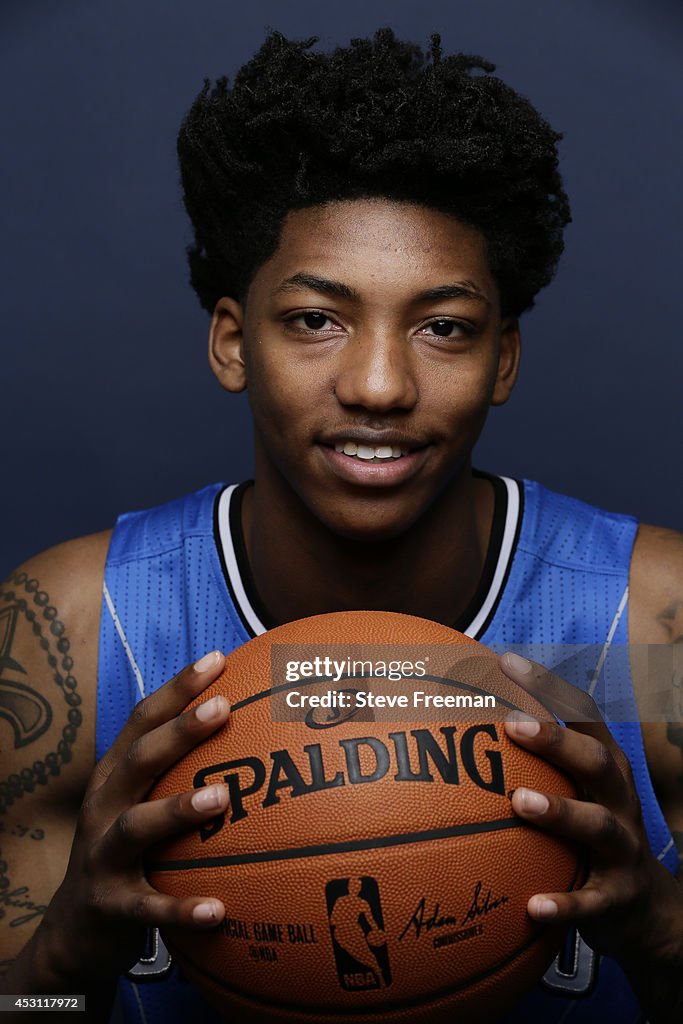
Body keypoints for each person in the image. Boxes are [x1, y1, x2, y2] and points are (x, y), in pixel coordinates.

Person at [0, 28, 681, 1024]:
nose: (376, 385)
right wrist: (61, 953)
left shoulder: (646, 636)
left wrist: (657, 926)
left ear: (502, 358)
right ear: (233, 342)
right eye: (315, 318)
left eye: (442, 326)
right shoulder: (82, 635)